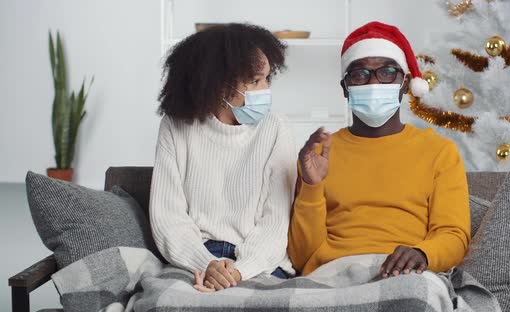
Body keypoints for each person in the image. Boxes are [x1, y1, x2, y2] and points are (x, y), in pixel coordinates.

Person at [288, 21, 470, 278]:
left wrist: (423, 254)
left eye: (386, 72)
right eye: (359, 74)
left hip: (406, 274)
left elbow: (454, 236)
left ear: (405, 84)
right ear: (345, 88)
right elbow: (301, 257)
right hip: (331, 275)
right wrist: (311, 186)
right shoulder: (319, 154)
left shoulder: (439, 152)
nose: (373, 82)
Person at [150, 23, 297, 292]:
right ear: (217, 84)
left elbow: (276, 225)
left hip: (260, 262)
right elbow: (168, 219)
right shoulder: (174, 127)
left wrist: (239, 271)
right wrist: (207, 264)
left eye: (267, 79)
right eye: (255, 81)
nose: (265, 89)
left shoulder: (276, 127)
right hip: (194, 260)